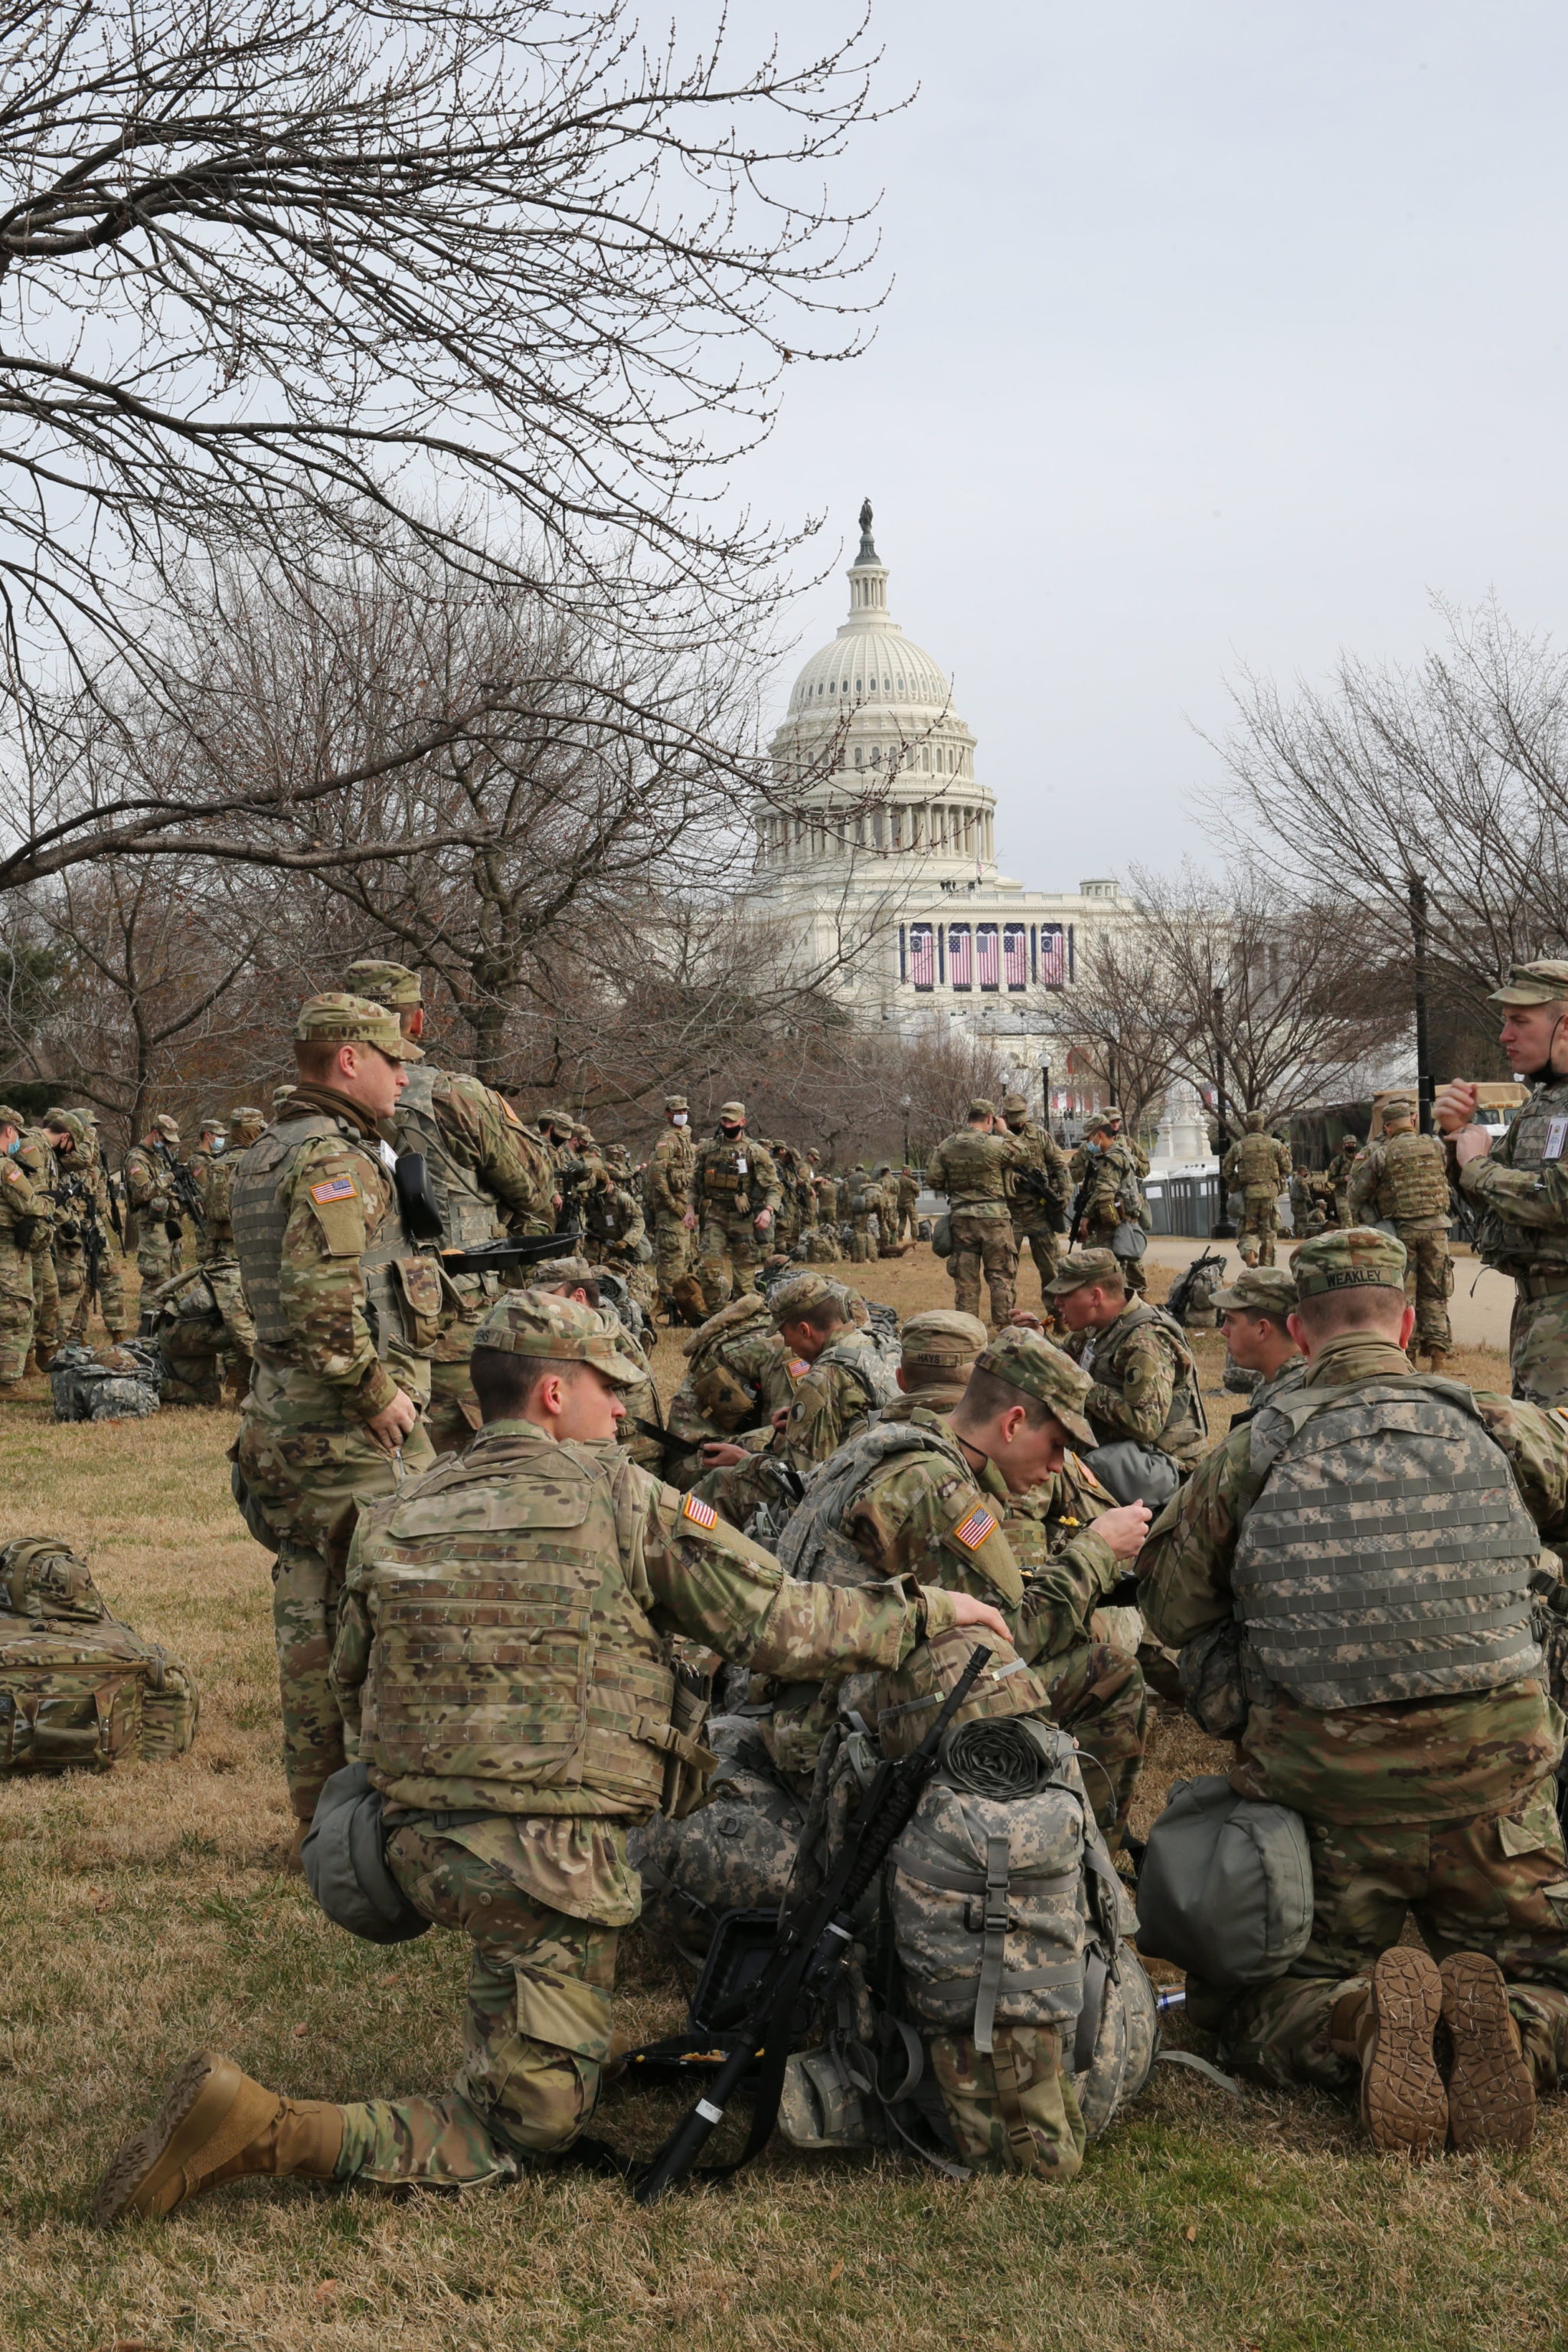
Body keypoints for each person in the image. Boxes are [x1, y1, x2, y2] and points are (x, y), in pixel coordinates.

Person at [94, 1289, 1011, 2221]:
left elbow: (349, 1686)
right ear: (551, 1394)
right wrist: (931, 1610)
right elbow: (779, 1625)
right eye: (608, 1389)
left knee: (531, 1982)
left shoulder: (396, 1509)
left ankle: (528, 2012)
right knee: (525, 2128)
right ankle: (259, 2128)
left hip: (407, 1847)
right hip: (549, 1860)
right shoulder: (618, 1495)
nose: (623, 1409)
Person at [1138, 1226, 1568, 2156]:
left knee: (1249, 2004)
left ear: (1297, 1333)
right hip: (1491, 1787)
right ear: (1407, 1321)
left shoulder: (1254, 1452)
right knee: (1553, 1971)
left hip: (1323, 1800)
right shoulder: (1503, 1423)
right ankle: (1522, 2035)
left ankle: (1363, 2018)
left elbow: (1170, 1610)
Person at [230, 994, 437, 1844]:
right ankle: (394, 1819)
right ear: (349, 1058)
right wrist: (375, 1392)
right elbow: (324, 1308)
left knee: (309, 1612)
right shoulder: (332, 1160)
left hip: (279, 1416)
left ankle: (322, 1820)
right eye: (394, 1062)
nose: (403, 1078)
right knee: (396, 1610)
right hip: (342, 1429)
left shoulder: (266, 1149)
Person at [342, 959, 558, 1455]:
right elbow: (535, 1185)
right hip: (456, 1330)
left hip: (363, 1334)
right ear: (417, 1021)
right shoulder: (454, 1096)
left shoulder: (318, 1109)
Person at [1436, 959, 1568, 1405]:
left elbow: (1557, 1198)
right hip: (1539, 1316)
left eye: (1519, 1021)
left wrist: (1477, 1165)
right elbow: (1494, 1199)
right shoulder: (1545, 1101)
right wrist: (1457, 1140)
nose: (1505, 1035)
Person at [1042, 1248, 1208, 1479]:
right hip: (1120, 1453)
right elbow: (1067, 1360)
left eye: (1066, 1295)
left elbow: (1145, 1426)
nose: (1057, 1303)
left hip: (1161, 1466)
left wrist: (1081, 1384)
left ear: (1095, 1297)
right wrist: (1038, 1338)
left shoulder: (1146, 1341)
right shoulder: (1097, 1325)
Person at [1347, 1094, 1454, 1369]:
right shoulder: (1436, 1148)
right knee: (1436, 1293)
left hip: (1402, 1231)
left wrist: (1372, 1222)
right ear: (1413, 1121)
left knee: (1404, 1294)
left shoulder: (1383, 1153)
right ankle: (1439, 1358)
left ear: (1388, 1127)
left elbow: (1357, 1193)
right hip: (1437, 1230)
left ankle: (1409, 1356)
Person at [926, 1097, 1027, 1326]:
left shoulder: (946, 1145)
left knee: (966, 1283)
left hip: (962, 1220)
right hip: (994, 1220)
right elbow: (1023, 1153)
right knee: (1000, 1277)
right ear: (990, 1119)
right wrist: (1006, 1132)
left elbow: (934, 1179)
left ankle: (967, 1333)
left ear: (969, 1118)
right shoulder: (993, 1144)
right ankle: (1004, 1332)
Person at [691, 1099, 779, 1312]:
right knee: (708, 1269)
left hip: (743, 1217)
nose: (728, 1126)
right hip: (715, 1215)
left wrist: (768, 1211)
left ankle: (741, 1316)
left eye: (732, 1122)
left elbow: (774, 1186)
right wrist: (689, 1210)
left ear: (743, 1122)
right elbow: (695, 1183)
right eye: (724, 1121)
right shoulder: (708, 1149)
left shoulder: (755, 1152)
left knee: (744, 1274)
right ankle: (715, 1315)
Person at [1069, 1112, 1148, 1296]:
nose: (1088, 1144)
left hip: (1115, 1223)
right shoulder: (1116, 1154)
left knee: (1106, 1270)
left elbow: (1104, 1191)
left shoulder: (1112, 1158)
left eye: (1090, 1139)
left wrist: (1085, 1218)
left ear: (1099, 1135)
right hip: (1117, 1219)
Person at [1002, 1091, 1070, 1303]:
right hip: (1010, 1214)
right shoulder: (997, 1139)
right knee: (1005, 1272)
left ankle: (1058, 1316)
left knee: (1051, 1268)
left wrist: (1065, 1192)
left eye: (1021, 1114)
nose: (1018, 1120)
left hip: (1039, 1212)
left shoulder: (1039, 1135)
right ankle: (1006, 1316)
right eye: (1013, 1115)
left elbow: (1059, 1164)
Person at [1211, 1266, 1303, 1423]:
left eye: (1231, 1321)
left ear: (1262, 1330)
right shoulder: (1279, 1383)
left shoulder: (1293, 1402)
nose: (1224, 1331)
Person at [0, 1106, 43, 1395]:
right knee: (15, 1312)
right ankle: (6, 1383)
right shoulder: (6, 1167)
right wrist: (50, 1201)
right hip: (7, 1250)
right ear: (9, 1131)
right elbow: (31, 1205)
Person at [646, 1093, 697, 1315]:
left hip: (686, 1206)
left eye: (685, 1111)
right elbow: (657, 1176)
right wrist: (670, 1203)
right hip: (671, 1209)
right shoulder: (666, 1140)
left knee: (687, 1254)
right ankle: (667, 1304)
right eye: (677, 1112)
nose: (682, 1115)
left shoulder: (686, 1135)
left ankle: (683, 1300)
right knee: (671, 1257)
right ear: (668, 1114)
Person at [1222, 1111, 1292, 1270]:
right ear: (1262, 1124)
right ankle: (1266, 1269)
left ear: (1248, 1124)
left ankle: (1250, 1257)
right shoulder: (1274, 1144)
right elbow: (1287, 1167)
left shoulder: (1239, 1146)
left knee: (1248, 1230)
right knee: (1268, 1233)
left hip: (1248, 1194)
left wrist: (1236, 1184)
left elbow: (1227, 1170)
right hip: (1270, 1194)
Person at [123, 1113, 186, 1286]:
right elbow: (142, 1192)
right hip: (152, 1227)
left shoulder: (159, 1157)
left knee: (174, 1279)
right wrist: (170, 1177)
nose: (168, 1145)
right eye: (166, 1141)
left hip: (168, 1224)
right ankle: (150, 1314)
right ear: (155, 1133)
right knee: (156, 1280)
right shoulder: (137, 1158)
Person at [1325, 1131, 1363, 1226]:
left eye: (1353, 1144)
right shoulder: (1338, 1161)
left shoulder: (1360, 1158)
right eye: (1348, 1144)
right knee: (1347, 1221)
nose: (1351, 1146)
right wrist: (1343, 1178)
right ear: (1344, 1146)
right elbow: (1330, 1179)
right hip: (1342, 1195)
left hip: (1355, 1196)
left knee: (1356, 1223)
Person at [895, 1163, 921, 1242]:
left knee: (902, 1220)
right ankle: (914, 1238)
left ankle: (900, 1237)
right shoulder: (910, 1181)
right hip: (909, 1204)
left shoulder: (897, 1181)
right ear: (905, 1171)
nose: (911, 1172)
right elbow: (917, 1190)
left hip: (900, 1204)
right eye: (909, 1171)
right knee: (914, 1220)